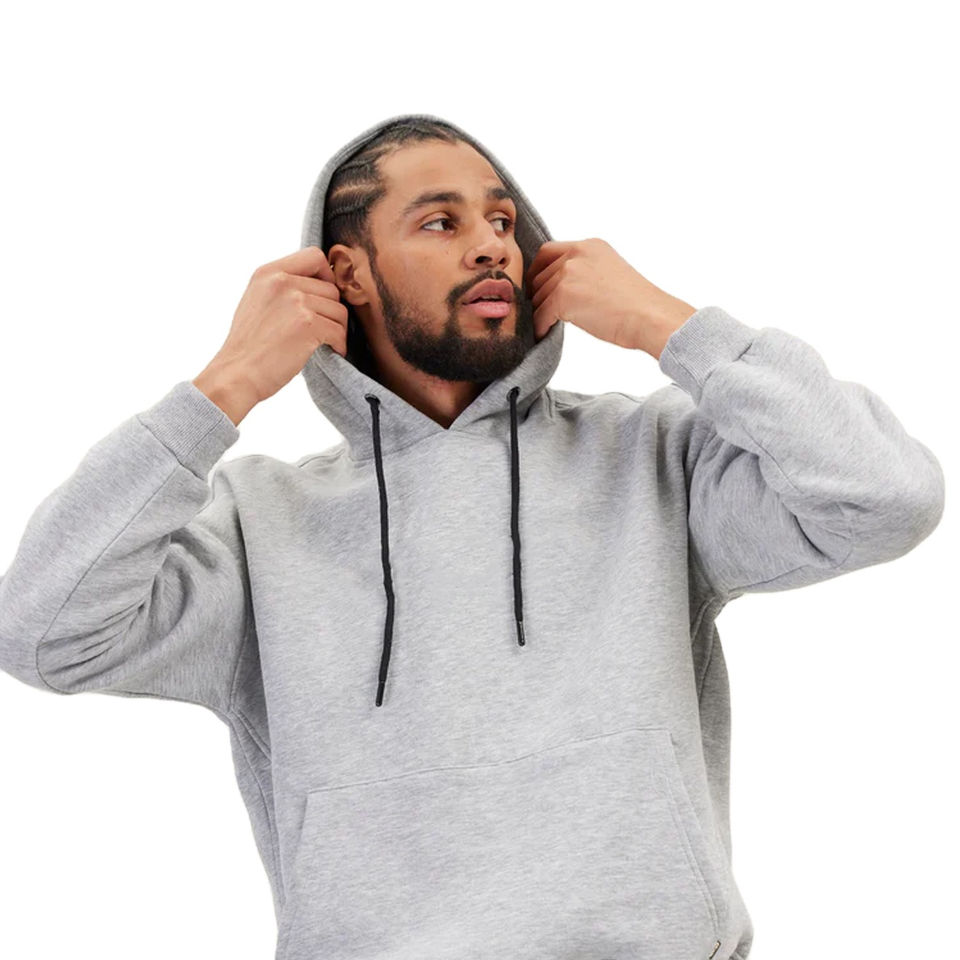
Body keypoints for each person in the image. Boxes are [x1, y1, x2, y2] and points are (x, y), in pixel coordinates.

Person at [0, 112, 945, 960]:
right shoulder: (259, 525)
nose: (493, 245)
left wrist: (672, 327)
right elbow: (43, 633)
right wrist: (225, 385)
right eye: (440, 223)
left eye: (501, 220)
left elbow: (886, 496)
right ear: (347, 275)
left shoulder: (653, 458)